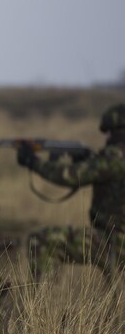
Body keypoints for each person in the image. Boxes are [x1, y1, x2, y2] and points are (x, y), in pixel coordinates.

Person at [17, 104, 125, 280]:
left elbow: (67, 176)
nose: (106, 138)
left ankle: (41, 302)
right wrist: (88, 161)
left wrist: (33, 161)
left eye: (109, 133)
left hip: (116, 243)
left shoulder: (115, 158)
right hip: (116, 240)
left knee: (41, 240)